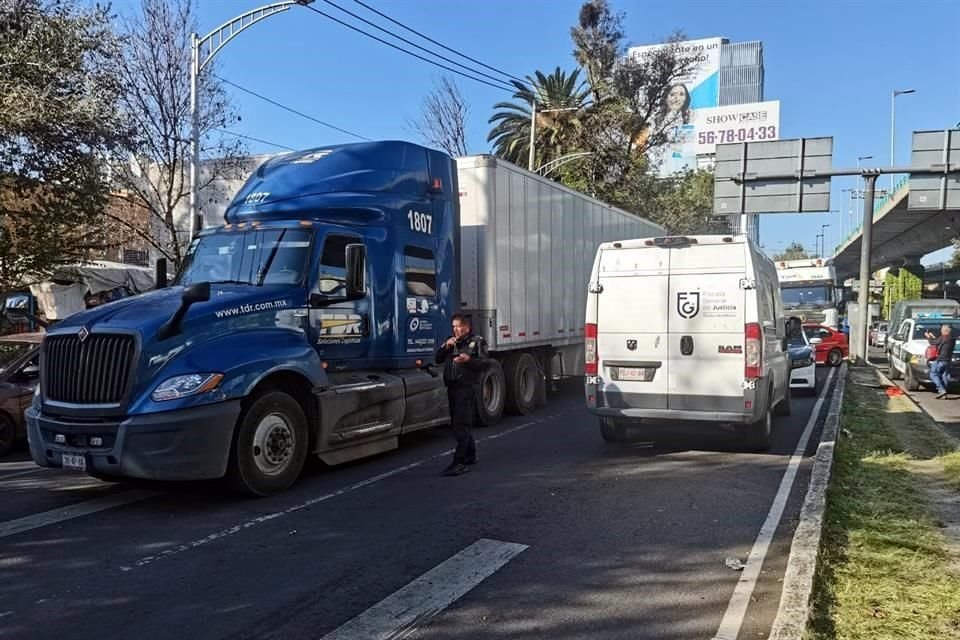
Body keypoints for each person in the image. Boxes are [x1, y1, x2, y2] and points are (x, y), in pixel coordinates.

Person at [435, 314, 488, 476]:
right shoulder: (452, 342)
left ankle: (459, 462)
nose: (456, 330)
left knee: (461, 425)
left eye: (458, 326)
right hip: (452, 387)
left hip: (466, 387)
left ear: (467, 327)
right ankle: (470, 455)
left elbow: (485, 364)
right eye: (453, 327)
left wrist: (468, 360)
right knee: (458, 423)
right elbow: (438, 359)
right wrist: (446, 346)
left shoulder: (477, 341)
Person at [924, 324, 956, 399]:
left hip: (940, 360)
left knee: (933, 374)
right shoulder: (952, 338)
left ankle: (941, 390)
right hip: (948, 360)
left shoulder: (943, 337)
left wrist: (928, 337)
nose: (940, 331)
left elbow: (933, 343)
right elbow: (940, 342)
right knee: (944, 376)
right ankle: (943, 392)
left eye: (941, 329)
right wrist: (933, 337)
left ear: (944, 331)